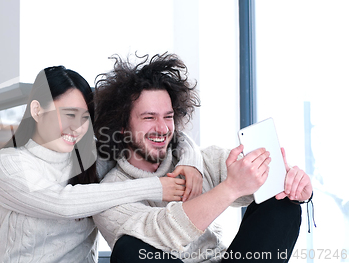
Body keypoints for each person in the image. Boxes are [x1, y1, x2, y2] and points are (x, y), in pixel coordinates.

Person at [92, 53, 313, 262]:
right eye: (149, 117)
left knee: (283, 202)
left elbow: (264, 181)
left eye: (168, 117)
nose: (162, 128)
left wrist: (294, 184)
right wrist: (230, 188)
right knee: (129, 250)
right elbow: (163, 232)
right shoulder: (110, 194)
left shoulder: (203, 161)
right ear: (122, 127)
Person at [0, 66, 205, 262]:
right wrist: (156, 187)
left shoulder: (91, 155)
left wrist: (191, 162)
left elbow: (159, 135)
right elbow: (63, 203)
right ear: (36, 110)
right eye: (68, 114)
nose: (77, 127)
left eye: (84, 118)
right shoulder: (7, 164)